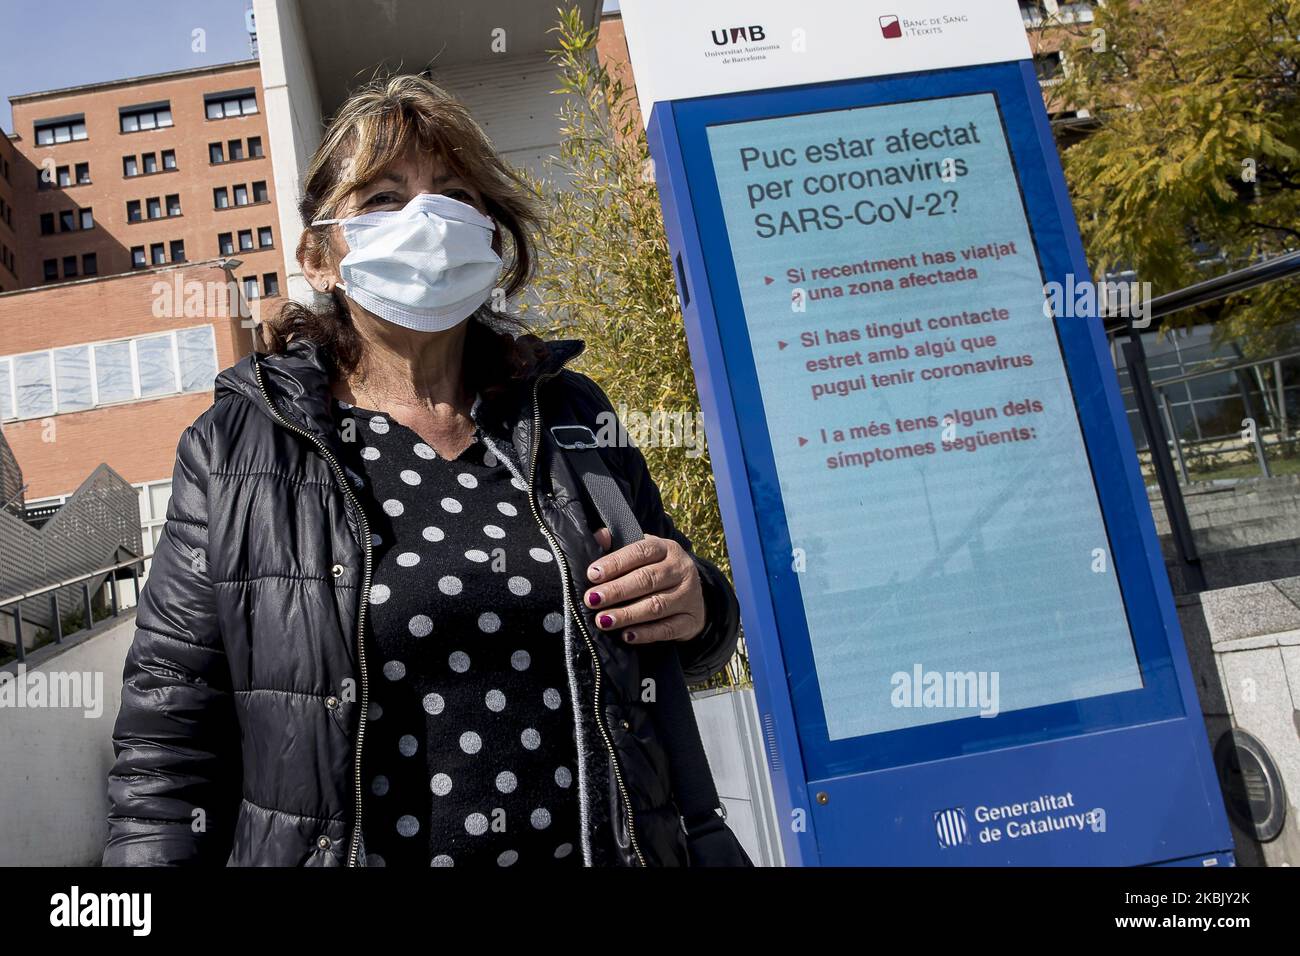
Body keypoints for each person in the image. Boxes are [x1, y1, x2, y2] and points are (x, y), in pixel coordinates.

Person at [101, 74, 740, 867]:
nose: (426, 219)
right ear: (318, 256)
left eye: (453, 193)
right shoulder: (239, 451)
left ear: (490, 237)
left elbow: (696, 630)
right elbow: (167, 744)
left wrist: (699, 600)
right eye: (381, 197)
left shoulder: (570, 412)